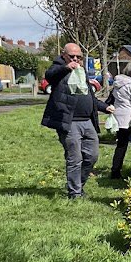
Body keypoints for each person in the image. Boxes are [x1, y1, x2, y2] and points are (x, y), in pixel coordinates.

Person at [41, 42, 115, 200]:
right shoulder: (59, 68)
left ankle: (77, 185)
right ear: (63, 55)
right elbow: (50, 75)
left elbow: (89, 97)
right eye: (71, 56)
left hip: (88, 121)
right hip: (69, 122)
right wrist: (66, 67)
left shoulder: (82, 72)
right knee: (75, 158)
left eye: (78, 57)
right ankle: (75, 193)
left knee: (92, 155)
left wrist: (104, 107)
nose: (75, 59)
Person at [109, 63, 131, 179]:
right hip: (130, 118)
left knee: (121, 145)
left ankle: (115, 170)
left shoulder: (117, 83)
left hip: (118, 117)